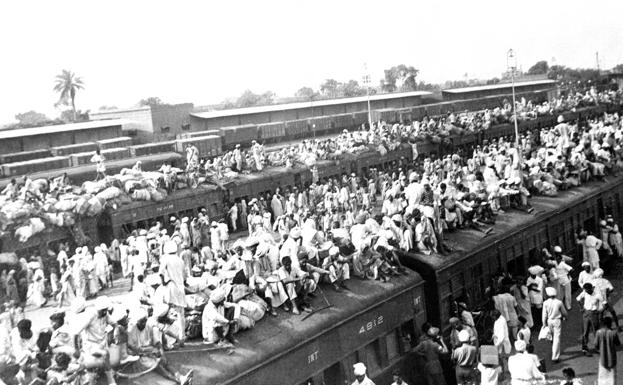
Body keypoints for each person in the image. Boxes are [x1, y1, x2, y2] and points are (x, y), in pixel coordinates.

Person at [127, 308, 193, 385]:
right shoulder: (131, 330)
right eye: (141, 321)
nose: (143, 323)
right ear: (136, 321)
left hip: (150, 352)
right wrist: (148, 352)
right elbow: (133, 348)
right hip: (139, 356)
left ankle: (181, 377)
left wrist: (162, 353)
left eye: (145, 321)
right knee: (158, 366)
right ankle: (178, 380)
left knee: (165, 362)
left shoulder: (148, 327)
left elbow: (157, 342)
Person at [158, 241, 188, 343]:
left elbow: (160, 273)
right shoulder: (180, 260)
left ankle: (166, 337)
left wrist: (163, 283)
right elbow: (185, 277)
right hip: (180, 288)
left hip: (170, 286)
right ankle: (182, 336)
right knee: (181, 314)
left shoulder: (165, 259)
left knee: (165, 310)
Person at [576, 282, 603, 356]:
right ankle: (585, 348)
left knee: (596, 331)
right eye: (586, 290)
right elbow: (578, 299)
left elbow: (603, 303)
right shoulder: (584, 293)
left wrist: (599, 311)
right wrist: (581, 308)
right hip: (586, 313)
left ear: (592, 288)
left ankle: (598, 347)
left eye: (588, 290)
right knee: (585, 331)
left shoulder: (597, 295)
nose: (587, 291)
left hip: (594, 313)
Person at [542, 287, 566, 363]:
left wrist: (544, 323)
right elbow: (564, 312)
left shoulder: (545, 303)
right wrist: (565, 317)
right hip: (557, 320)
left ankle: (554, 350)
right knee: (557, 338)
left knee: (552, 337)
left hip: (549, 321)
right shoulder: (559, 302)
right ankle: (555, 356)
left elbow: (544, 314)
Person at [595, 316, 619, 385]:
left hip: (602, 358)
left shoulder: (598, 333)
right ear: (610, 324)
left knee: (602, 378)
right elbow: (618, 343)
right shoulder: (613, 333)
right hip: (612, 359)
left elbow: (596, 345)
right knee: (612, 380)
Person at [491, 309, 511, 374]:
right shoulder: (501, 318)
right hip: (502, 342)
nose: (492, 318)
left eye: (493, 316)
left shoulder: (500, 322)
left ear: (495, 316)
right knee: (504, 357)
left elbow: (501, 336)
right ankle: (506, 369)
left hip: (501, 343)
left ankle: (503, 370)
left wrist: (497, 345)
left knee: (502, 357)